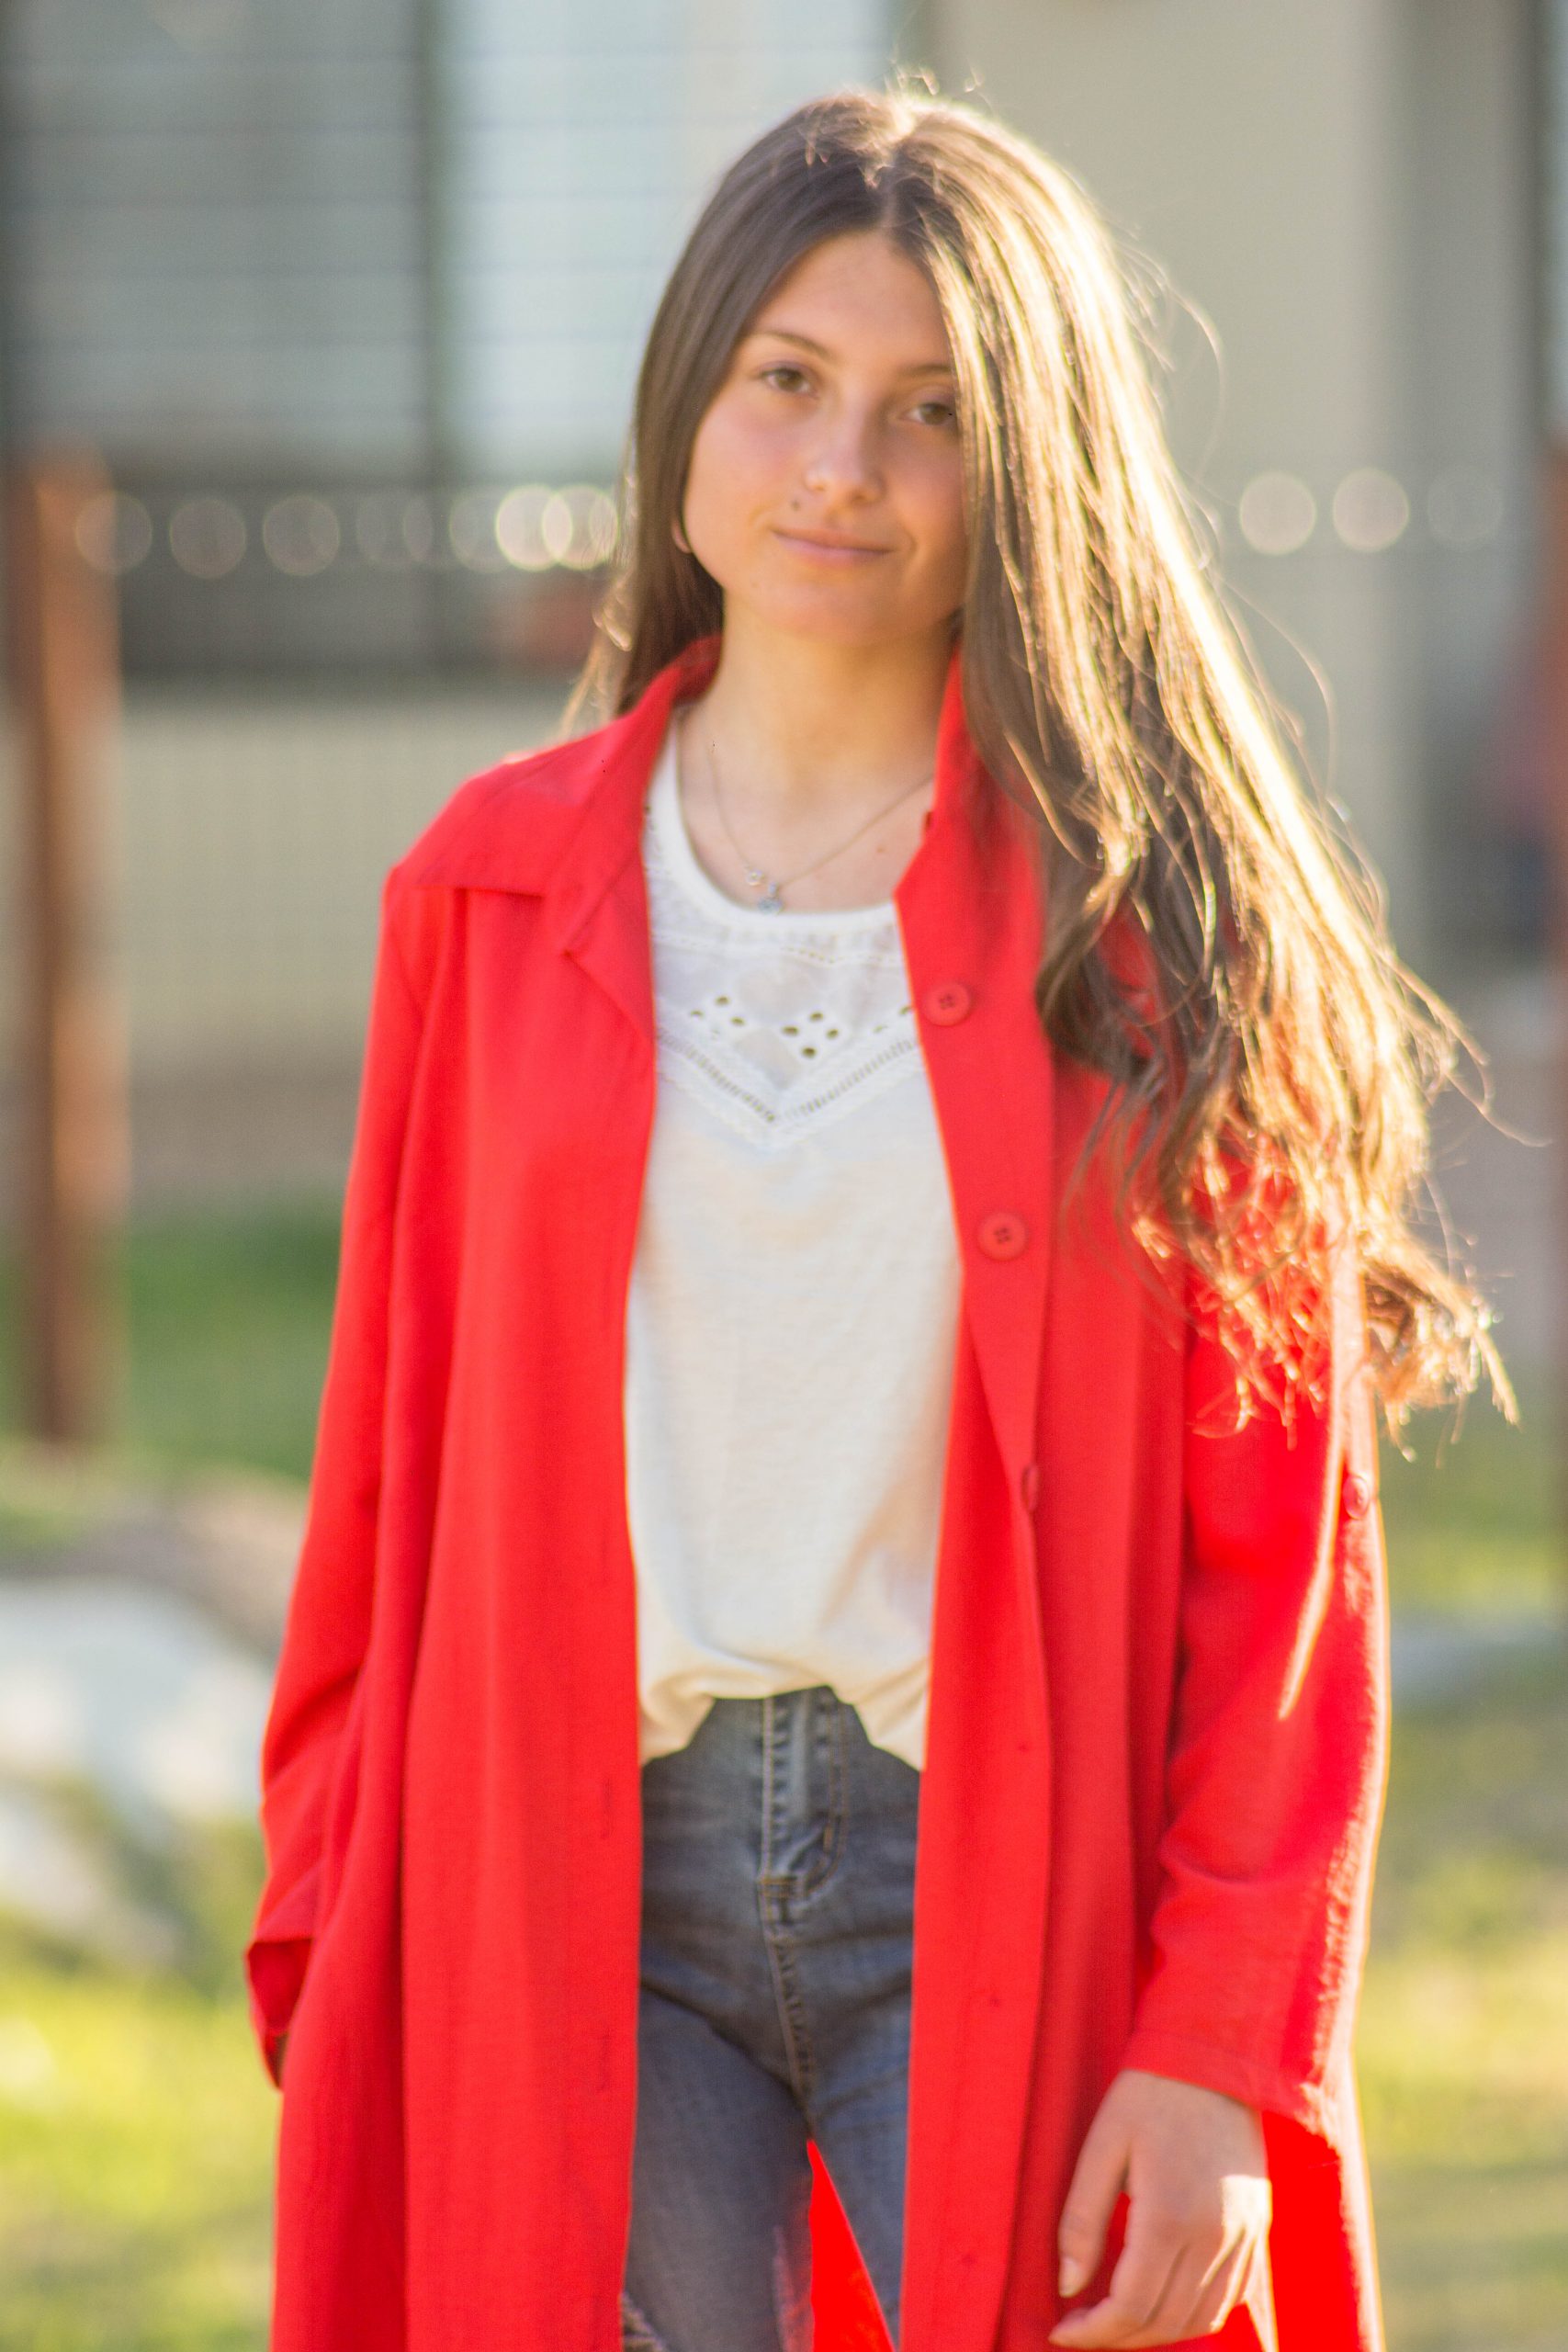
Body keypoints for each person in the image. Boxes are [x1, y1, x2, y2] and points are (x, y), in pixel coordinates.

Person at [245, 85, 1504, 2352]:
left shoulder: (1152, 934)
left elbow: (1282, 1560)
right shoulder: (485, 880)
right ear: (688, 409)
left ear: (1025, 462)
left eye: (929, 412)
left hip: (999, 1874)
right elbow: (381, 1462)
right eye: (789, 384)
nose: (842, 468)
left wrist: (1221, 2039)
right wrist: (330, 1919)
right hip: (580, 1877)